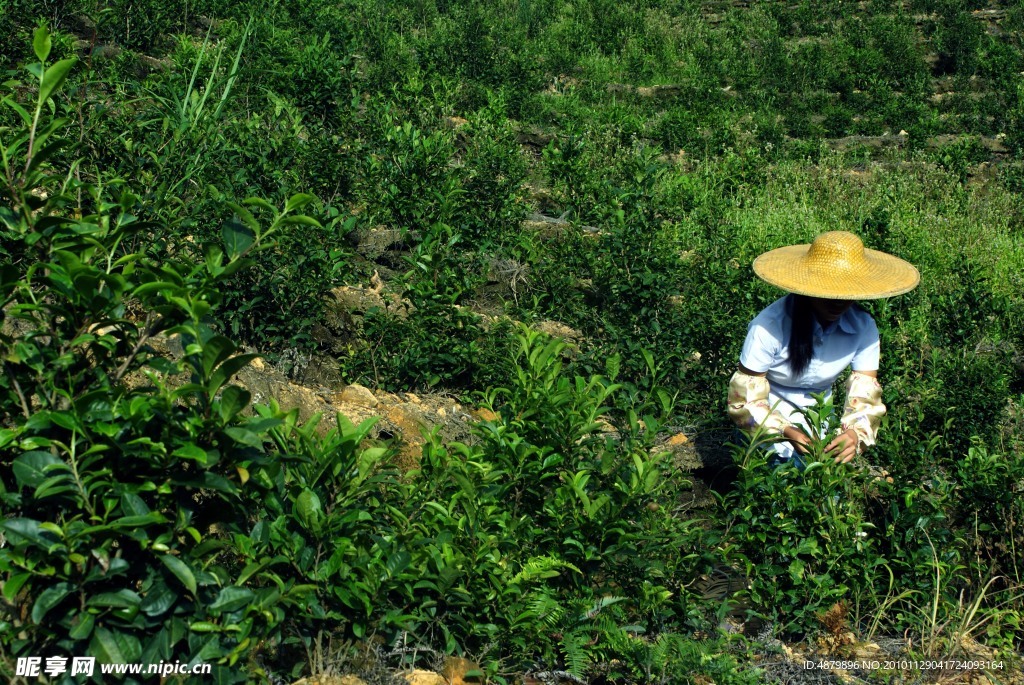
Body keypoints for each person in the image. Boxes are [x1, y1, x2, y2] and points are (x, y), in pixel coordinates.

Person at [727, 231, 919, 467]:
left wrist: (853, 433)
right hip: (766, 428)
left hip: (820, 426)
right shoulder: (769, 327)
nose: (838, 301)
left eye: (845, 292)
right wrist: (785, 430)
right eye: (828, 293)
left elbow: (865, 392)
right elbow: (746, 400)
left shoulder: (863, 326)